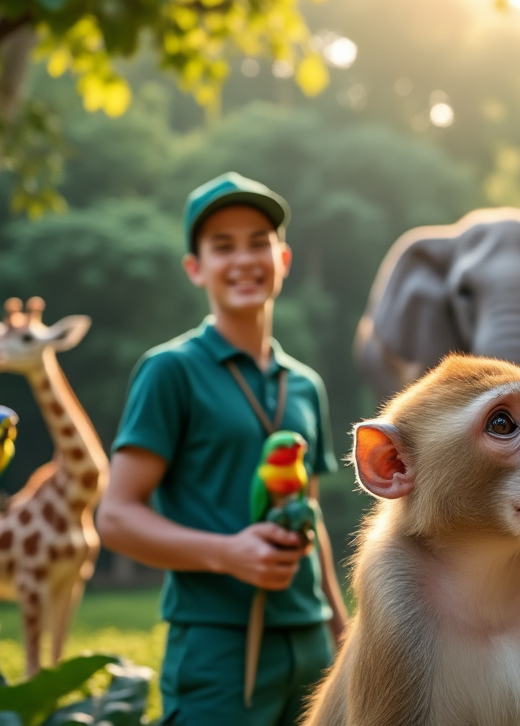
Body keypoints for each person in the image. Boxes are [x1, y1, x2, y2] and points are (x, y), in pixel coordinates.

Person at [98, 172, 347, 726]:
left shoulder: (304, 385)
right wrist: (227, 553)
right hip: (218, 645)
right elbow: (116, 517)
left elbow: (311, 516)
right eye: (222, 246)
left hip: (312, 644)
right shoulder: (170, 372)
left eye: (258, 242)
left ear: (283, 259)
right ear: (195, 268)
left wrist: (341, 630)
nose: (244, 260)